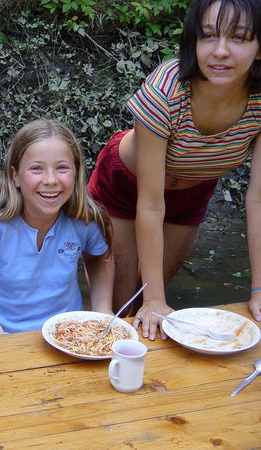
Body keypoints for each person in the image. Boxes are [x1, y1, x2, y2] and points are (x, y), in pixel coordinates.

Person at [87, 0, 261, 340]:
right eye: (208, 35)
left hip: (192, 192)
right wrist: (152, 299)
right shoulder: (166, 88)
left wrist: (258, 290)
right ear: (193, 40)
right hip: (126, 185)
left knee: (155, 305)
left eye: (238, 37)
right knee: (126, 305)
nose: (220, 51)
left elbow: (258, 200)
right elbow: (150, 204)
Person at [0, 119, 114, 336]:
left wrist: (102, 310)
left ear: (77, 172)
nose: (51, 180)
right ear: (15, 175)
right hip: (1, 340)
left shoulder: (85, 219)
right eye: (36, 168)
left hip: (69, 338)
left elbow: (100, 259)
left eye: (62, 168)